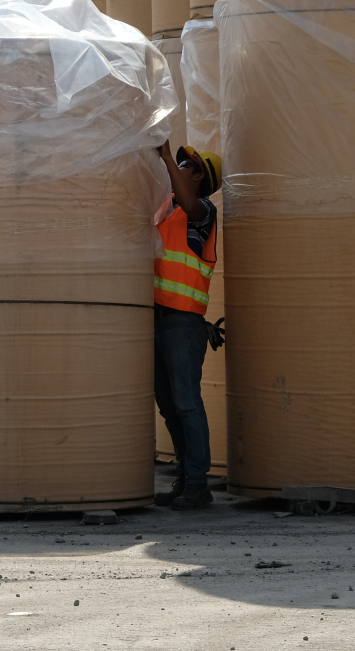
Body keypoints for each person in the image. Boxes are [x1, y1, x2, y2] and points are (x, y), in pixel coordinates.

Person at [152, 141, 223, 510]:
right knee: (168, 405)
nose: (177, 166)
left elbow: (193, 206)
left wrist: (164, 158)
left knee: (186, 404)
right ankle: (186, 476)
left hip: (182, 323)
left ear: (198, 177)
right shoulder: (166, 212)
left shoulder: (202, 212)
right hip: (157, 320)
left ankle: (198, 482)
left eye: (184, 164)